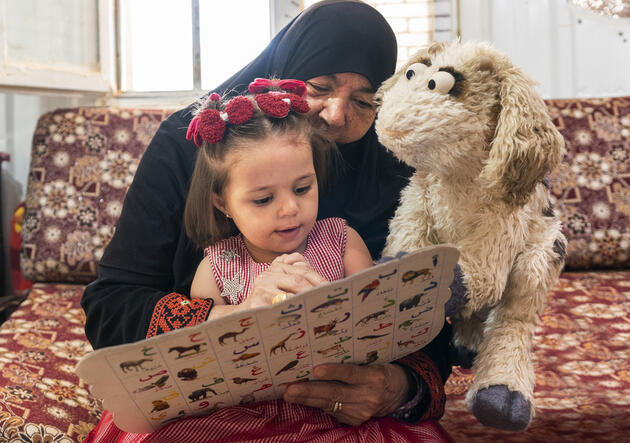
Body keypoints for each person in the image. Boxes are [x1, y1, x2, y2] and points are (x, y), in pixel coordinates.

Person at [82, 1, 455, 441]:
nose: (337, 115)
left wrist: (396, 387)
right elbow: (111, 306)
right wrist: (229, 319)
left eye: (364, 100)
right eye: (318, 87)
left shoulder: (393, 165)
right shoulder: (193, 148)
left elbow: (424, 309)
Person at [185, 82, 374, 311]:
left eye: (302, 188)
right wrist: (246, 309)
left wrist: (330, 303)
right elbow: (208, 338)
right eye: (263, 199)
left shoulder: (342, 242)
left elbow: (375, 311)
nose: (290, 208)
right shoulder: (215, 271)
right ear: (223, 203)